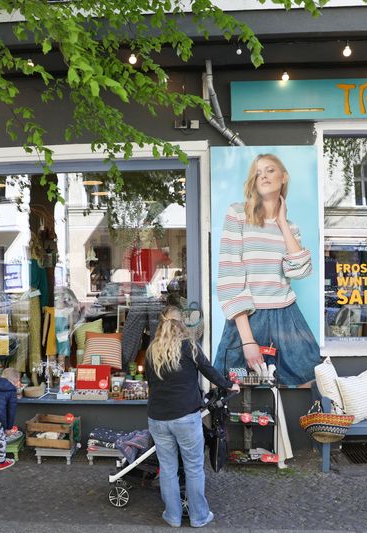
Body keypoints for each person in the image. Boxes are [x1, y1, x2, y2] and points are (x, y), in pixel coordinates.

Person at [214, 153, 320, 387]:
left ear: (284, 177)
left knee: (309, 381)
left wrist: (282, 222)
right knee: (232, 386)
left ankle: (288, 425)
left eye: (270, 170)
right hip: (248, 316)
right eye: (258, 172)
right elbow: (230, 277)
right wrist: (248, 341)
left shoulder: (291, 228)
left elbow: (299, 271)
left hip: (286, 315)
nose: (263, 175)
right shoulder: (238, 214)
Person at [146, 306, 239, 528]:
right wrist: (230, 385)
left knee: (167, 468)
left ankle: (173, 517)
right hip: (186, 416)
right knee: (194, 467)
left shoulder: (152, 350)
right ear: (182, 324)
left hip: (158, 418)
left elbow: (151, 383)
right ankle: (199, 517)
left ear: (161, 324)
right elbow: (210, 371)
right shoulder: (189, 347)